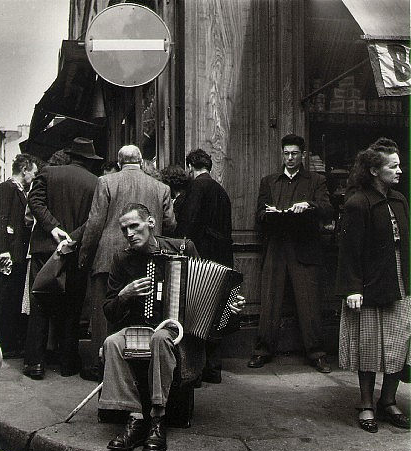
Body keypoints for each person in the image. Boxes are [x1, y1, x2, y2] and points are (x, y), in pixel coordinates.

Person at [100, 203, 245, 451]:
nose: (130, 233)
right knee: (112, 342)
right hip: (139, 329)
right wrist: (124, 295)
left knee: (159, 338)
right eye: (125, 230)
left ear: (152, 223)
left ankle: (157, 418)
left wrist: (230, 305)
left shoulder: (182, 248)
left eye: (135, 226)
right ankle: (135, 418)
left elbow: (212, 293)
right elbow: (109, 310)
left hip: (177, 332)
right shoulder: (122, 259)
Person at [78, 145, 176, 379]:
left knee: (106, 315)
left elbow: (94, 224)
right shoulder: (161, 187)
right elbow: (171, 224)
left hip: (108, 257)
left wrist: (84, 258)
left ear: (120, 163)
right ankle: (144, 369)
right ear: (142, 162)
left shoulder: (106, 182)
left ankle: (104, 369)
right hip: (151, 258)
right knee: (148, 312)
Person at [336, 138, 410, 433]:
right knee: (368, 347)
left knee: (399, 345)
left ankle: (388, 401)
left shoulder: (400, 200)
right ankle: (367, 404)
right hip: (367, 286)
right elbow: (349, 251)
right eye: (393, 166)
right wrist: (353, 288)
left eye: (399, 165)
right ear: (375, 171)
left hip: (400, 281)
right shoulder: (357, 203)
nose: (399, 171)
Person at [247, 134, 333, 373]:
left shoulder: (315, 180)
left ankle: (317, 354)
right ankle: (262, 351)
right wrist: (270, 213)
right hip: (276, 246)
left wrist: (309, 206)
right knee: (270, 302)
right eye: (286, 153)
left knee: (309, 304)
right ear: (282, 154)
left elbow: (327, 210)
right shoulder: (269, 181)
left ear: (302, 154)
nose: (290, 158)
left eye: (294, 153)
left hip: (304, 247)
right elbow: (259, 216)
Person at [23, 137, 101, 379]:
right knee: (72, 306)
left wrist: (53, 228)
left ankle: (35, 363)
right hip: (75, 251)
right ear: (89, 160)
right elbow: (95, 219)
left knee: (40, 304)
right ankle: (68, 362)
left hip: (44, 248)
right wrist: (72, 238)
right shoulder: (96, 183)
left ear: (70, 155)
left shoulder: (48, 173)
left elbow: (34, 201)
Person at [175, 149, 234, 384]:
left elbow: (188, 224)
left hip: (201, 256)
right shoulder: (221, 190)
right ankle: (214, 368)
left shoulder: (197, 187)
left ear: (190, 166)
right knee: (216, 312)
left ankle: (196, 372)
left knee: (196, 313)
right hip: (222, 257)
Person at [0, 154, 38, 357]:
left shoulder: (19, 191)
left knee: (10, 298)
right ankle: (2, 343)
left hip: (16, 254)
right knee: (3, 299)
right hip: (8, 255)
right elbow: (0, 220)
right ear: (25, 170)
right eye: (34, 172)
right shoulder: (6, 188)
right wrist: (3, 250)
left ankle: (7, 342)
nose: (35, 176)